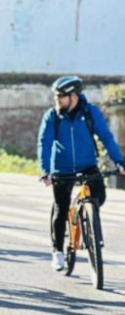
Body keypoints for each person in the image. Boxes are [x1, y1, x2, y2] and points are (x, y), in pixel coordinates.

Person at [37, 75, 125, 271]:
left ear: (74, 97)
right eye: (56, 96)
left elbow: (106, 137)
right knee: (61, 209)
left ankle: (88, 218)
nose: (57, 100)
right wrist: (45, 170)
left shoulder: (90, 113)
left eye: (61, 96)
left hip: (87, 165)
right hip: (62, 168)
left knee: (99, 196)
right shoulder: (52, 116)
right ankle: (58, 251)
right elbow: (44, 144)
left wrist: (119, 161)